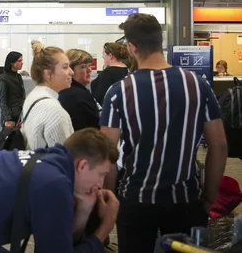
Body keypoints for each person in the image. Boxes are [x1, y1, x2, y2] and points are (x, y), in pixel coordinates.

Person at [100, 13, 228, 253]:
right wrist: (209, 197)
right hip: (185, 198)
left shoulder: (118, 91)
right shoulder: (198, 85)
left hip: (135, 198)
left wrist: (109, 198)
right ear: (160, 40)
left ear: (132, 47)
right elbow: (219, 145)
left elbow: (107, 153)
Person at [22, 43, 75, 149]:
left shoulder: (34, 95)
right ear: (48, 74)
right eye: (65, 67)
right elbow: (65, 157)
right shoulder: (54, 110)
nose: (71, 72)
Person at [59, 49, 101, 132]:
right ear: (71, 70)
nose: (89, 70)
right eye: (83, 67)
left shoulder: (68, 90)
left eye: (89, 66)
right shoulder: (78, 95)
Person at [0, 51, 27, 128]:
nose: (22, 63)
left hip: (20, 115)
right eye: (19, 61)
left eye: (22, 61)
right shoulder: (3, 79)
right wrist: (7, 119)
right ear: (12, 63)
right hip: (10, 118)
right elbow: (2, 101)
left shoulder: (18, 77)